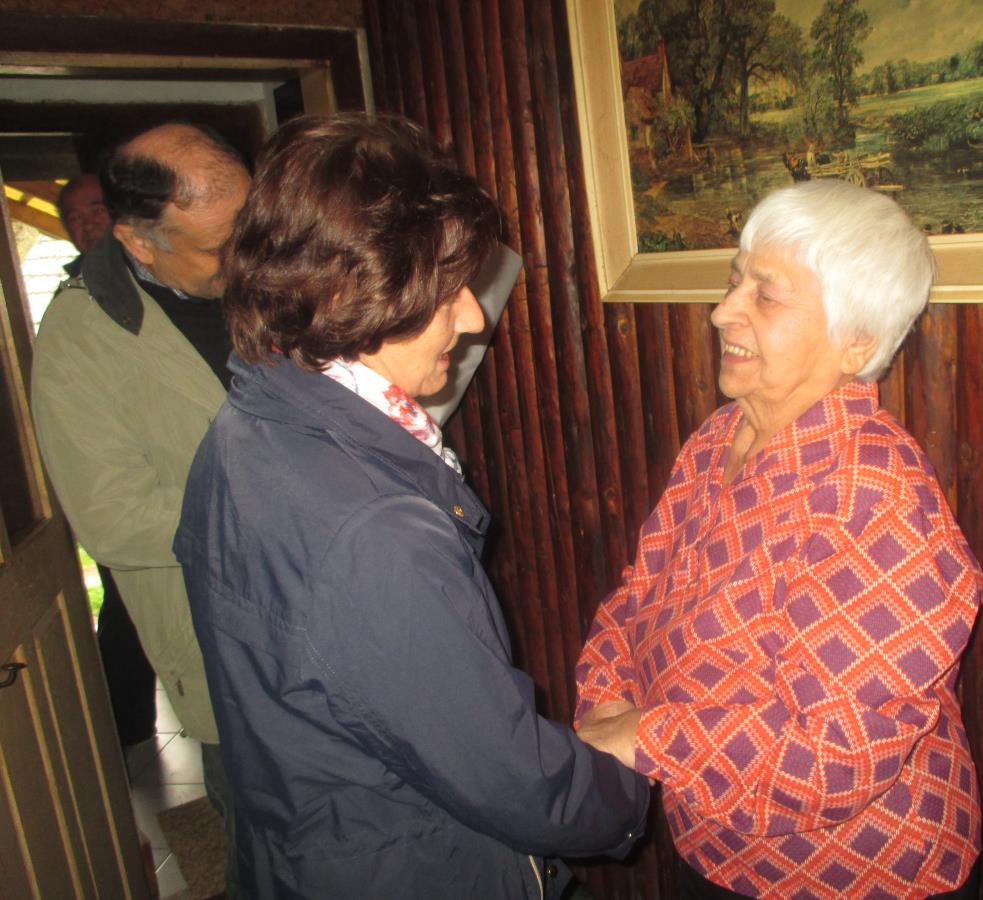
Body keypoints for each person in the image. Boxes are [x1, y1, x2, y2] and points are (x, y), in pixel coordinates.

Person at [172, 113, 650, 899]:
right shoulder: (375, 531)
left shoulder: (246, 422)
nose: (472, 317)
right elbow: (509, 780)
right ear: (349, 292)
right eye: (444, 291)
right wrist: (622, 786)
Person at [575, 180, 983, 899]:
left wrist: (646, 737)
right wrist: (606, 698)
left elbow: (835, 758)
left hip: (850, 873)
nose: (721, 311)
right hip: (712, 841)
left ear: (856, 344)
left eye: (766, 295)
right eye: (734, 280)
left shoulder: (877, 500)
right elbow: (641, 592)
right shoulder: (718, 439)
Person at [31, 122, 251, 894]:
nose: (247, 257)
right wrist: (269, 512)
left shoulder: (262, 275)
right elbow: (112, 517)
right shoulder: (78, 336)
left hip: (339, 608)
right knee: (273, 844)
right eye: (220, 246)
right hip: (229, 640)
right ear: (137, 241)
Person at [54, 171, 159, 751]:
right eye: (73, 217)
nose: (85, 224)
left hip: (170, 471)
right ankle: (125, 728)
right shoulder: (73, 301)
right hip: (119, 479)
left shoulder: (161, 282)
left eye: (94, 209)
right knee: (124, 603)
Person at [57, 173, 111, 276]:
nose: (88, 226)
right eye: (75, 218)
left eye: (98, 210)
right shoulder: (76, 284)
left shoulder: (144, 270)